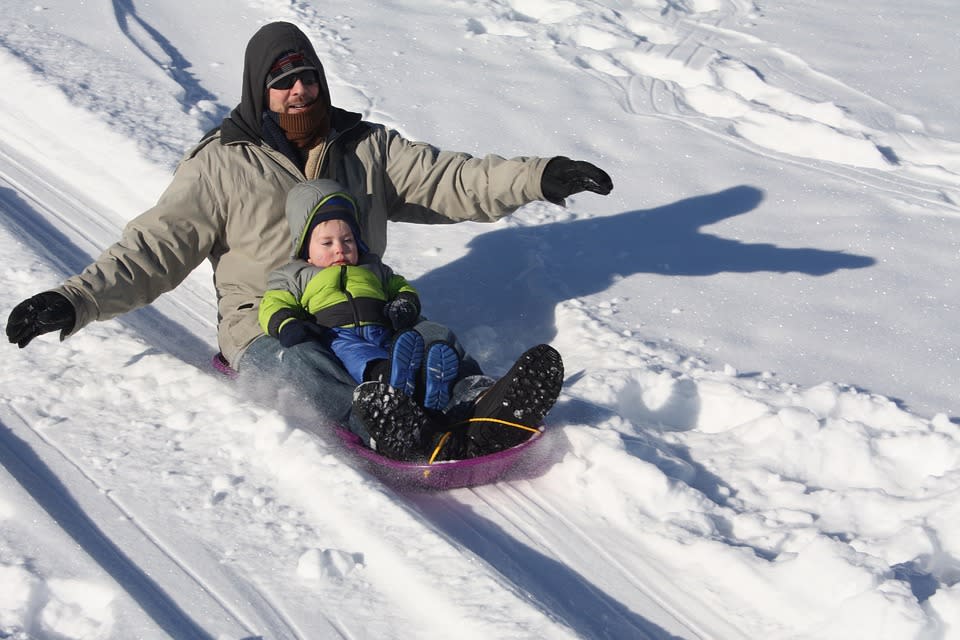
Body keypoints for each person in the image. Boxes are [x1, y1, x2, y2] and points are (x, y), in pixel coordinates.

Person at [5, 21, 612, 454]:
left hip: (362, 305)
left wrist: (537, 176)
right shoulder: (221, 164)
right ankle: (379, 420)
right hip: (273, 321)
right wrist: (76, 299)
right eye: (282, 82)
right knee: (298, 364)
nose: (299, 91)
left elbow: (450, 178)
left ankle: (480, 401)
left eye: (307, 78)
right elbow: (155, 246)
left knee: (425, 337)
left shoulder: (365, 146)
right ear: (258, 92)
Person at [260, 178, 461, 411]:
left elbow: (400, 287)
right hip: (337, 337)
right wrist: (288, 324)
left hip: (384, 331)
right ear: (306, 250)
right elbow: (272, 303)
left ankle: (431, 387)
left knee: (411, 348)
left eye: (347, 240)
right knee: (360, 357)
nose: (340, 249)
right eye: (327, 243)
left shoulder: (373, 268)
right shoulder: (294, 275)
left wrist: (404, 302)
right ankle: (388, 383)